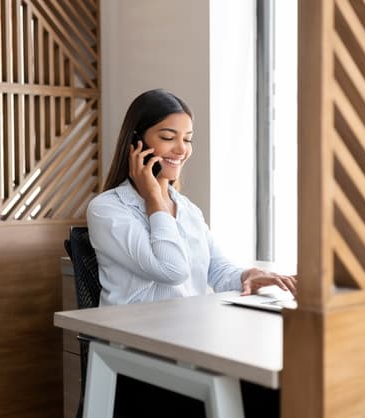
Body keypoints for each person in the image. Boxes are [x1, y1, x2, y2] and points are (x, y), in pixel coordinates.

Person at [86, 89, 295, 417]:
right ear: (136, 143)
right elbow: (172, 270)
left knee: (279, 391)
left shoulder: (188, 209)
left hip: (191, 344)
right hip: (141, 357)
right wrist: (155, 198)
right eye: (168, 137)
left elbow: (215, 269)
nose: (181, 150)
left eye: (188, 138)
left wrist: (246, 275)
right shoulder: (108, 209)